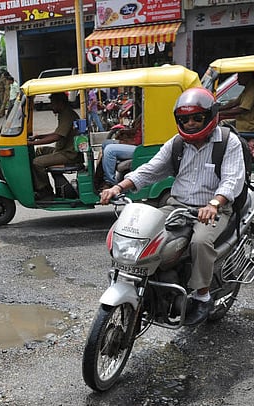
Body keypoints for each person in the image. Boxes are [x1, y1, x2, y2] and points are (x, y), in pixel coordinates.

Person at [99, 88, 245, 325]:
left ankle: (202, 296)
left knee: (200, 242)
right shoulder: (177, 144)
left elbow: (232, 179)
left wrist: (215, 203)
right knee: (143, 233)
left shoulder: (229, 142)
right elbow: (151, 169)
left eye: (197, 117)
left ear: (210, 116)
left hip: (213, 209)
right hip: (176, 205)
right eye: (184, 119)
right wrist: (119, 187)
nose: (190, 123)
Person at [28, 92, 80, 201]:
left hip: (69, 154)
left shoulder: (67, 115)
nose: (51, 106)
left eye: (53, 103)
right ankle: (37, 183)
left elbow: (57, 136)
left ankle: (45, 191)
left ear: (60, 103)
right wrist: (39, 137)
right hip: (62, 150)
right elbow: (58, 133)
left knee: (37, 162)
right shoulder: (64, 113)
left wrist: (32, 143)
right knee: (39, 151)